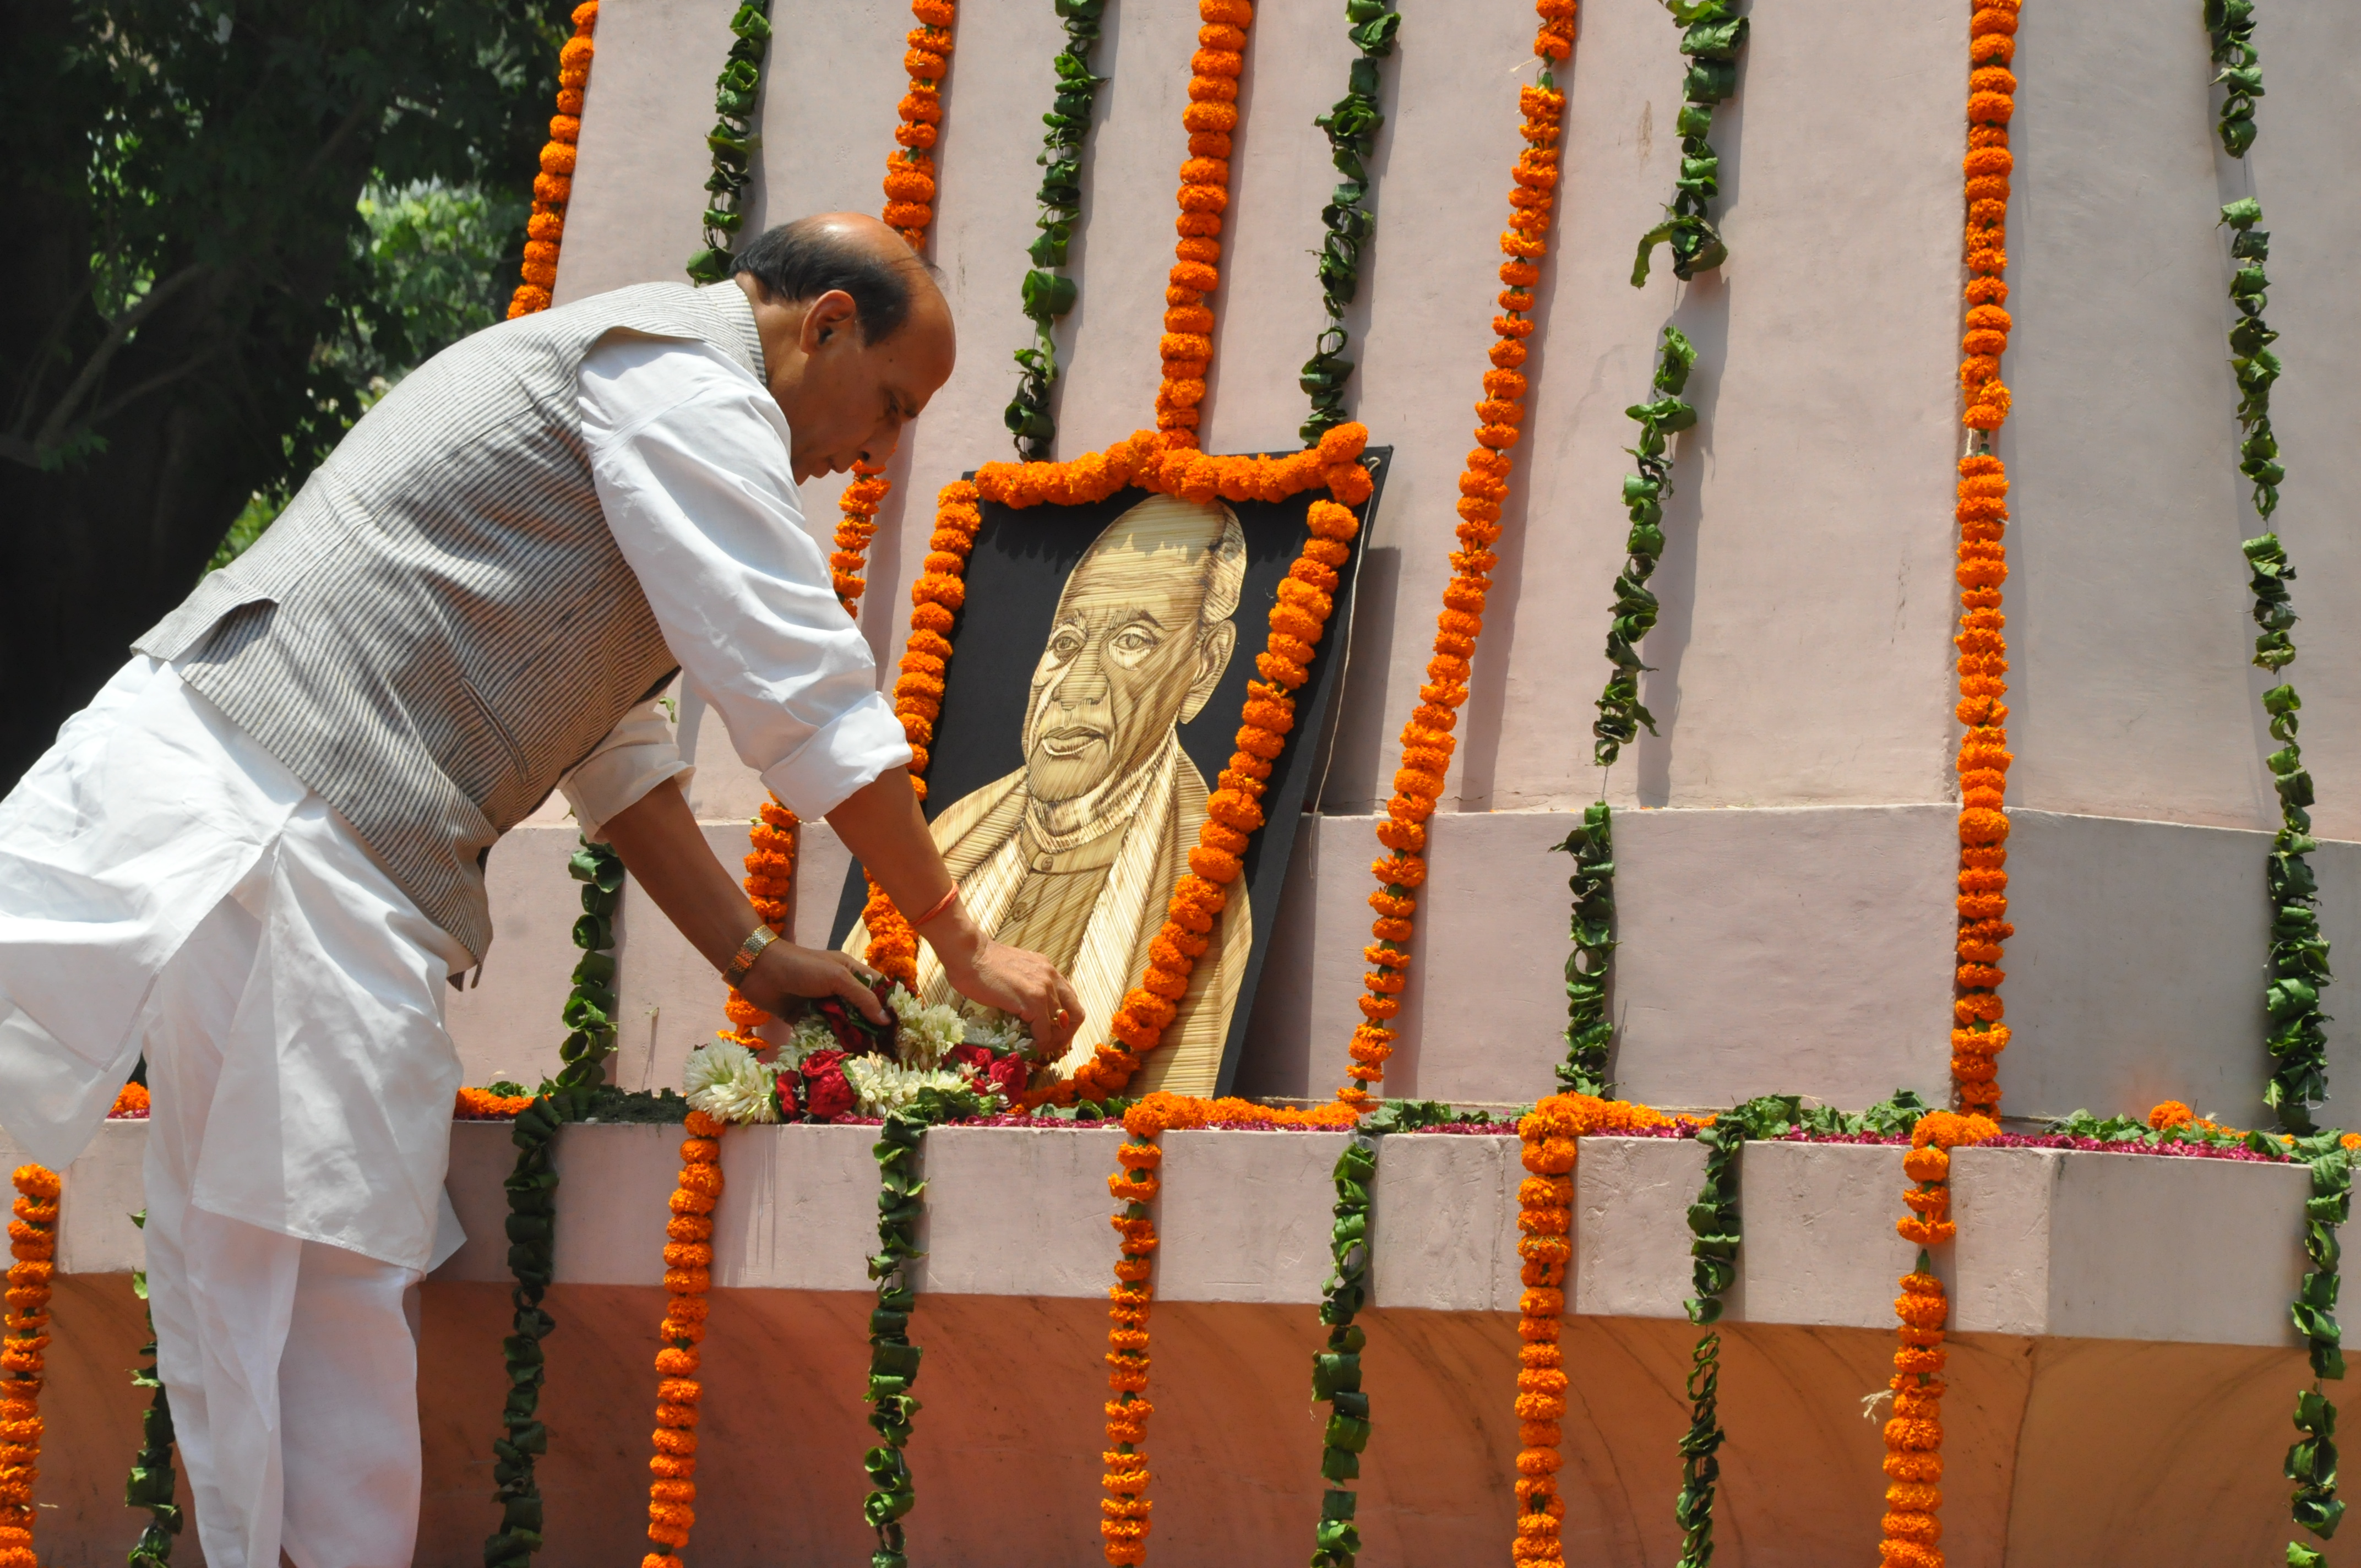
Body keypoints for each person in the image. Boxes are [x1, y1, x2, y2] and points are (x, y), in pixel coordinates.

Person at [0, 212, 1080, 1568]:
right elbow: (799, 681)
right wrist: (962, 936)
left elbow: (608, 748)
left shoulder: (641, 399)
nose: (877, 450)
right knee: (312, 1277)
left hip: (281, 813)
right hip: (272, 801)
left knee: (264, 1270)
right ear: (826, 327)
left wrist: (749, 953)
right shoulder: (681, 383)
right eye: (891, 404)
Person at [842, 493, 1250, 1094]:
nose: (1075, 688)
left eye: (1132, 640)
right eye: (1064, 644)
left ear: (1205, 666)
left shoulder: (1199, 881)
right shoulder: (955, 834)